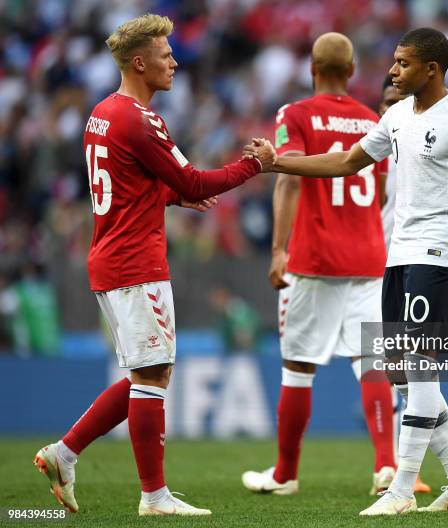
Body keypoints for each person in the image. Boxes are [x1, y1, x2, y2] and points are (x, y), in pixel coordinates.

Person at [245, 27, 448, 515]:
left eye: (403, 63)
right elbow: (347, 162)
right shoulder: (394, 116)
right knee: (401, 378)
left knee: (419, 370)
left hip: (439, 255)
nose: (392, 71)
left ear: (431, 69)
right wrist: (276, 164)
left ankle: (401, 489)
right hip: (397, 256)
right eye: (394, 61)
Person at [33, 13, 275, 516]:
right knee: (151, 375)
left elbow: (130, 185)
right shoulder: (141, 119)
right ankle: (154, 497)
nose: (175, 62)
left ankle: (65, 452)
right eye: (166, 56)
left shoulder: (102, 113)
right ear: (140, 62)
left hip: (112, 256)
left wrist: (169, 197)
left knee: (152, 372)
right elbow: (195, 183)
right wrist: (257, 164)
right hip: (133, 261)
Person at [241, 32, 397, 497]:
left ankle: (286, 473)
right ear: (351, 72)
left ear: (311, 69)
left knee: (298, 367)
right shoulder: (373, 118)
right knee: (371, 365)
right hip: (369, 257)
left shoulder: (297, 114)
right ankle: (385, 466)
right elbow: (383, 190)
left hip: (314, 259)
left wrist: (277, 249)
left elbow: (287, 178)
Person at [378, 74, 431, 495]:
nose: (390, 109)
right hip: (383, 262)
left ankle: (402, 473)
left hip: (424, 260)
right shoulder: (380, 155)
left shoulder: (423, 149)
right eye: (385, 103)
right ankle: (396, 465)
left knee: (415, 364)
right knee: (396, 367)